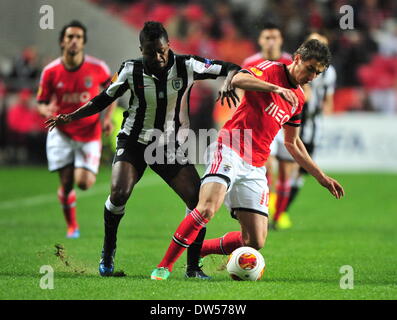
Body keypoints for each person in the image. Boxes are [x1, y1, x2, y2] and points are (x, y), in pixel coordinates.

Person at [45, 21, 241, 278]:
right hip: (134, 142)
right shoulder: (130, 70)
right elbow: (104, 98)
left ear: (169, 46)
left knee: (196, 201)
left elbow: (231, 67)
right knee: (119, 193)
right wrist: (71, 116)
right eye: (151, 52)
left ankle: (193, 267)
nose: (158, 57)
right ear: (141, 50)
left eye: (161, 50)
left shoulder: (187, 65)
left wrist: (228, 82)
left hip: (167, 146)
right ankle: (108, 252)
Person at [151, 39, 345, 280]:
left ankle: (197, 249)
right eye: (310, 68)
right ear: (297, 58)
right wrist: (275, 89)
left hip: (255, 166)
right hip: (230, 147)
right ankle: (164, 267)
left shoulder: (298, 98)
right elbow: (238, 79)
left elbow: (292, 142)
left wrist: (322, 177)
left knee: (254, 240)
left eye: (317, 73)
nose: (312, 76)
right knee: (206, 209)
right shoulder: (270, 69)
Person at [37, 20, 115, 239]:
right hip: (60, 132)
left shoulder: (98, 68)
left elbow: (113, 93)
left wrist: (107, 118)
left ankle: (81, 170)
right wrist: (46, 111)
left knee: (84, 183)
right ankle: (72, 226)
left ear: (83, 42)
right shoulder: (50, 71)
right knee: (66, 182)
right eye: (70, 37)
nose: (74, 41)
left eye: (78, 37)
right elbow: (41, 101)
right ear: (62, 41)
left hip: (89, 132)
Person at [242, 22, 295, 229]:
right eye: (267, 37)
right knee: (268, 166)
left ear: (281, 40)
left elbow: (303, 92)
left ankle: (279, 215)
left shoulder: (290, 61)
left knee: (287, 170)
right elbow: (241, 88)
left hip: (286, 121)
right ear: (260, 40)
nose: (271, 41)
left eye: (275, 37)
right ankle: (267, 207)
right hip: (264, 123)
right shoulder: (251, 62)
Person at [283, 32, 337, 217]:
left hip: (313, 124)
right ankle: (275, 208)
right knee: (285, 164)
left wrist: (323, 113)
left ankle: (282, 210)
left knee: (298, 171)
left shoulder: (329, 73)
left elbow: (328, 100)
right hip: (293, 117)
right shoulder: (298, 65)